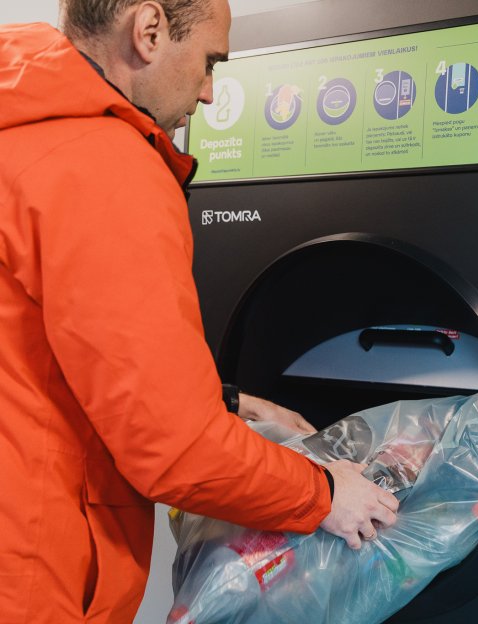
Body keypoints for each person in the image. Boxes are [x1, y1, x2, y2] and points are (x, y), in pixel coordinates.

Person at [0, 1, 398, 622]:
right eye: (210, 61)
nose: (210, 92)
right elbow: (175, 449)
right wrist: (325, 494)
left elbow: (50, 354)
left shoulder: (21, 130)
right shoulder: (104, 164)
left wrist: (229, 403)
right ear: (149, 30)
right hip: (31, 575)